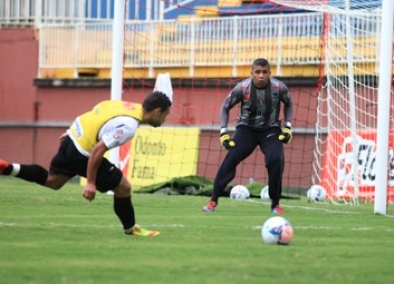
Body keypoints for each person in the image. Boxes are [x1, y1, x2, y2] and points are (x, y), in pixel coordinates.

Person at [0, 91, 172, 237]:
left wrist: (70, 131)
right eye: (165, 115)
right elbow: (98, 150)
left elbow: (95, 111)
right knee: (123, 187)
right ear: (157, 111)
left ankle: (8, 168)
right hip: (81, 153)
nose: (164, 120)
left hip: (72, 138)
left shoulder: (127, 105)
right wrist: (91, 182)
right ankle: (131, 228)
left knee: (53, 181)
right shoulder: (129, 126)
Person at [203, 58, 293, 214]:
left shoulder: (279, 88)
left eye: (264, 72)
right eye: (257, 72)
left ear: (270, 73)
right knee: (230, 159)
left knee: (275, 159)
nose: (261, 76)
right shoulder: (242, 88)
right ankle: (213, 200)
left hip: (270, 130)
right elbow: (225, 107)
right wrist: (223, 132)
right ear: (252, 73)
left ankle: (275, 204)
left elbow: (289, 103)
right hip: (246, 130)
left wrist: (288, 126)